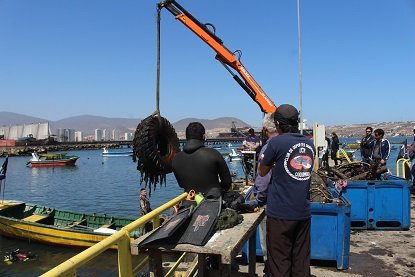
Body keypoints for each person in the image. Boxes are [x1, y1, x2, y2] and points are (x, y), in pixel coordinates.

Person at [258, 104, 315, 277]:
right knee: (300, 260)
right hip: (303, 212)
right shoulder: (309, 143)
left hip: (280, 213)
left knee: (279, 261)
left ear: (277, 123)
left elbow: (262, 171)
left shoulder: (275, 143)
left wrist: (275, 163)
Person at [172, 122, 232, 199]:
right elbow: (227, 182)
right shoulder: (213, 154)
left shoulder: (176, 158)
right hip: (213, 201)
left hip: (190, 200)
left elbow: (181, 185)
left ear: (186, 137)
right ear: (204, 136)